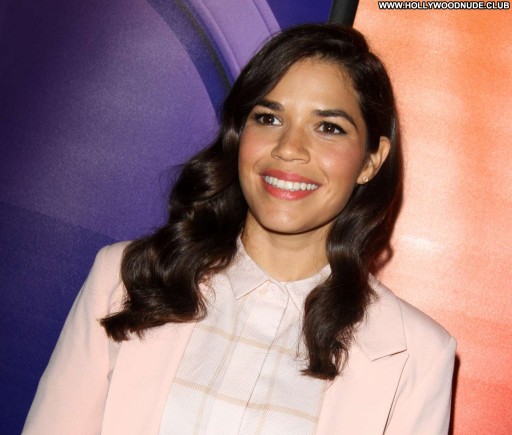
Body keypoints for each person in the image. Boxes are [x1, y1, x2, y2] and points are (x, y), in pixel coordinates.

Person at [23, 24, 456, 434]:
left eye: (328, 127)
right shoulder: (125, 278)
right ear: (239, 133)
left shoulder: (417, 355)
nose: (289, 149)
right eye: (269, 118)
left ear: (371, 160)